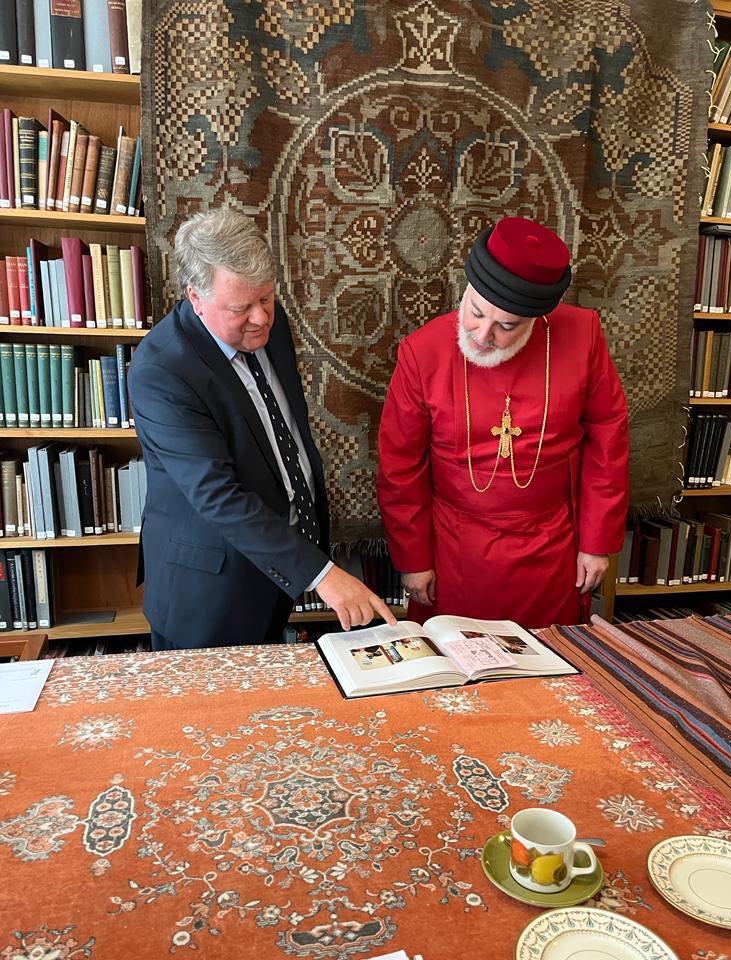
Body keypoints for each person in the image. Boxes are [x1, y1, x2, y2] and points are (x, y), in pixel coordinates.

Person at [130, 207, 395, 650]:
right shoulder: (161, 370)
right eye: (241, 308)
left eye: (267, 298)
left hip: (275, 571)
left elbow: (282, 427)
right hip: (209, 591)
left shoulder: (271, 321)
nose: (261, 318)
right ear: (196, 297)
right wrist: (322, 574)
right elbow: (217, 494)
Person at [377, 216, 629, 629]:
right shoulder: (422, 352)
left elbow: (609, 441)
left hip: (553, 547)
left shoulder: (582, 335)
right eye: (475, 313)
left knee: (552, 659)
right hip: (454, 548)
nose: (481, 335)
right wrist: (414, 559)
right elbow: (399, 466)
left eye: (506, 326)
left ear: (536, 319)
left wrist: (597, 543)